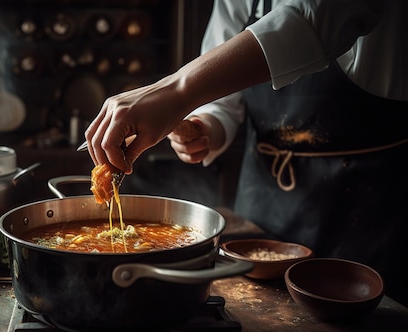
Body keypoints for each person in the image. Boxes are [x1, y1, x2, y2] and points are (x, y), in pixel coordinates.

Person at [84, 0, 408, 306]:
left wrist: (175, 90)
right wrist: (204, 126)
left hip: (368, 212)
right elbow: (221, 95)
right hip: (262, 214)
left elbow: (312, 19)